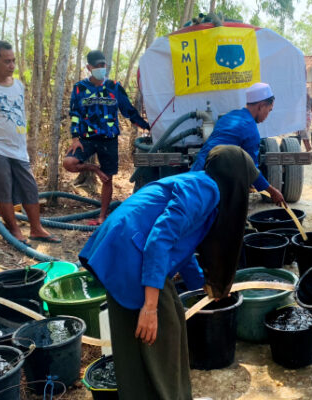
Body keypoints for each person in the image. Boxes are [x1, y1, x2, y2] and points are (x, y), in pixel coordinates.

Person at [79, 145, 259, 400]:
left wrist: (202, 288)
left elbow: (180, 247)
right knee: (162, 336)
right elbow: (159, 241)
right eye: (246, 185)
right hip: (132, 252)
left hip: (124, 247)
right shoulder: (206, 190)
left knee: (143, 338)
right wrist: (150, 307)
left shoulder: (201, 185)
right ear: (235, 178)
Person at [0, 40, 59, 245]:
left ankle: (37, 229)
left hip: (18, 149)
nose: (12, 65)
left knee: (30, 188)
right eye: (6, 61)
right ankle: (15, 231)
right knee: (3, 189)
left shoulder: (18, 85)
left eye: (13, 61)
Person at [63, 50, 150, 225]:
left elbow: (129, 111)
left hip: (109, 139)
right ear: (89, 67)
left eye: (104, 65)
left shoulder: (114, 87)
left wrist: (148, 126)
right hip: (86, 139)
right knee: (69, 163)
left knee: (108, 178)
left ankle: (102, 216)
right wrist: (75, 138)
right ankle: (95, 169)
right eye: (97, 66)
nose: (102, 68)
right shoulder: (80, 88)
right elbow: (74, 114)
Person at [191, 82, 285, 205]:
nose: (267, 115)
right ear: (261, 106)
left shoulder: (228, 117)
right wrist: (273, 192)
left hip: (195, 173)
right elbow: (252, 171)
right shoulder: (250, 129)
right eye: (269, 110)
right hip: (211, 180)